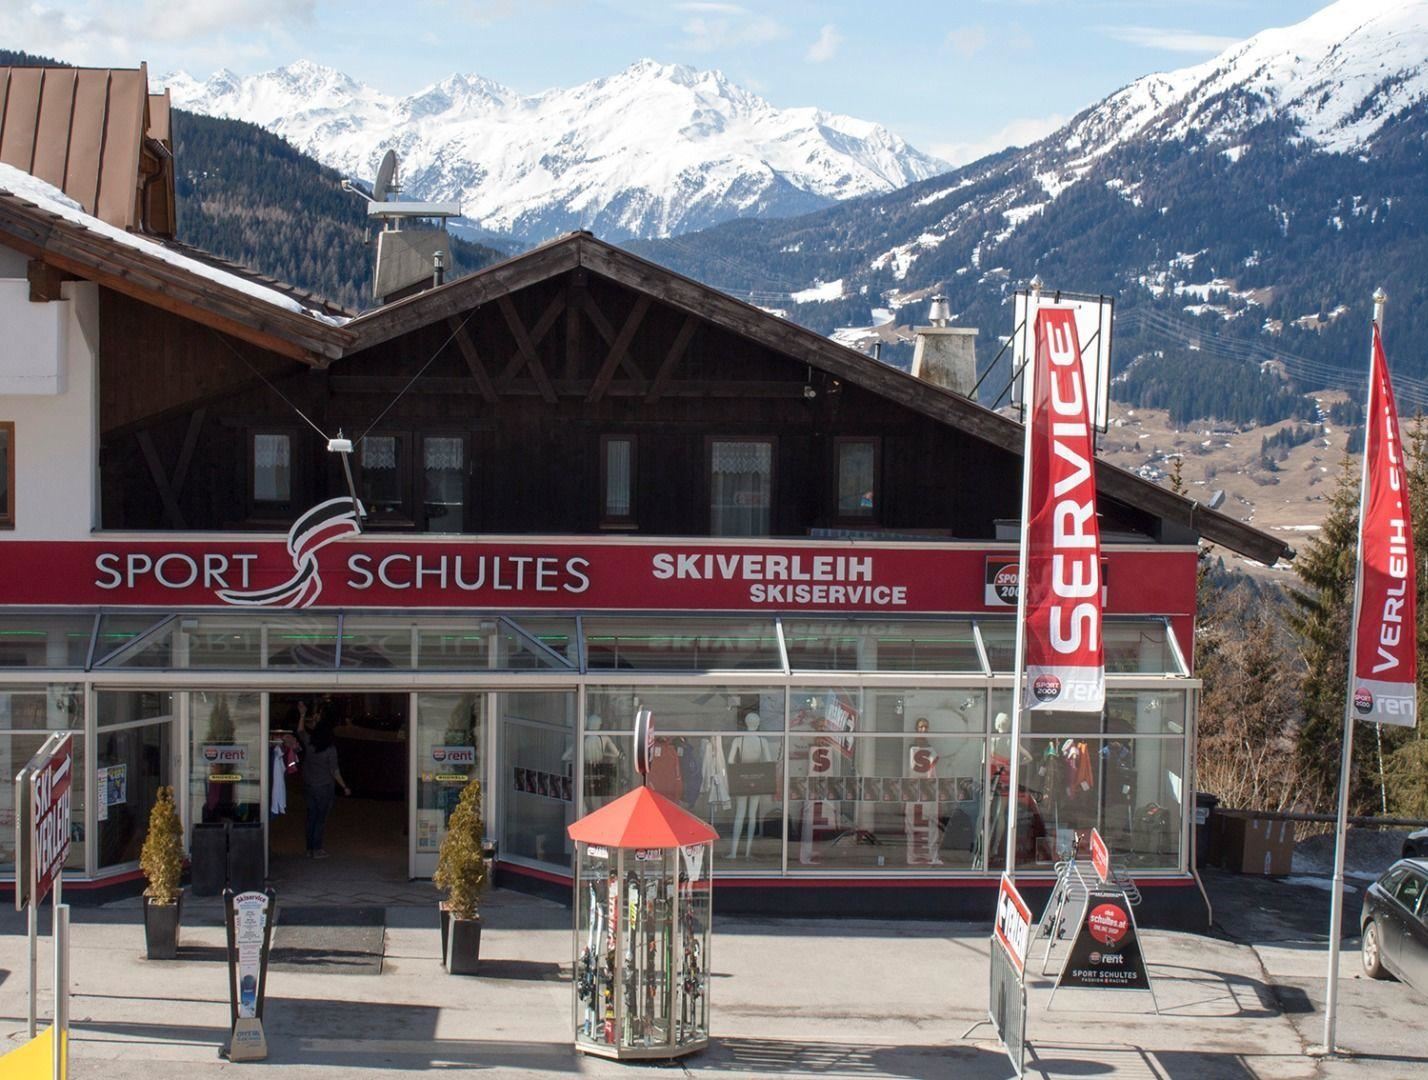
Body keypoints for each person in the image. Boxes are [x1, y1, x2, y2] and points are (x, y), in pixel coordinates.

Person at [298, 705, 351, 859]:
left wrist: (302, 715)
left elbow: (301, 731)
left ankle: (309, 849)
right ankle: (317, 849)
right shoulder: (330, 750)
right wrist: (344, 787)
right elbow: (335, 771)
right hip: (324, 788)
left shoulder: (309, 744)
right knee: (320, 819)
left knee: (311, 817)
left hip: (309, 785)